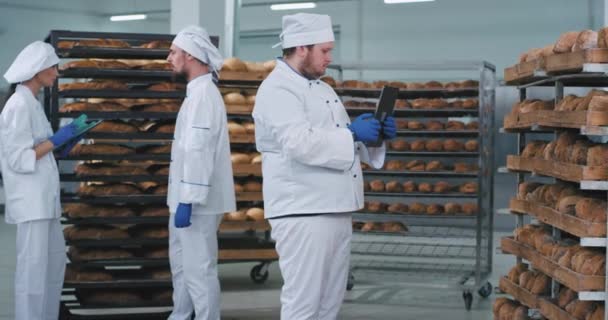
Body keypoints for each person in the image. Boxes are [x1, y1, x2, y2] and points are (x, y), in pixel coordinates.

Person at [253, 13, 396, 320]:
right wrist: (352, 133)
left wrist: (373, 138)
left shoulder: (322, 88)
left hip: (334, 208)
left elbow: (339, 142)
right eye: (325, 50)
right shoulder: (278, 89)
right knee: (304, 305)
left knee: (329, 304)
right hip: (303, 211)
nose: (330, 57)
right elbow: (299, 143)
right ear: (301, 48)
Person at [1, 41, 82, 320]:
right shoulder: (18, 105)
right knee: (33, 270)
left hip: (45, 200)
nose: (57, 73)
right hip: (31, 201)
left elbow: (41, 150)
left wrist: (63, 145)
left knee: (52, 265)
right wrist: (55, 141)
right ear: (37, 70)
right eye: (53, 67)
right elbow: (18, 159)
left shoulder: (32, 103)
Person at [166, 25, 236, 320]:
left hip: (196, 201)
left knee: (199, 268)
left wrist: (188, 199)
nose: (168, 58)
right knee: (183, 267)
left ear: (191, 55)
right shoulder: (196, 93)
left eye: (173, 52)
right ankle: (180, 316)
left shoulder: (204, 95)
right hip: (185, 197)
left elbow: (198, 150)